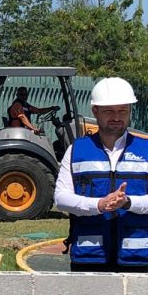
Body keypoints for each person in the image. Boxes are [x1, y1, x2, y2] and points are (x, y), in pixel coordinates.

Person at [54, 77, 148, 272]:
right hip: (89, 257)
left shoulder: (145, 150)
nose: (116, 117)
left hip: (139, 258)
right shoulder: (76, 150)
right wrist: (99, 205)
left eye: (122, 110)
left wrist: (128, 202)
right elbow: (61, 198)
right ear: (95, 111)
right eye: (109, 111)